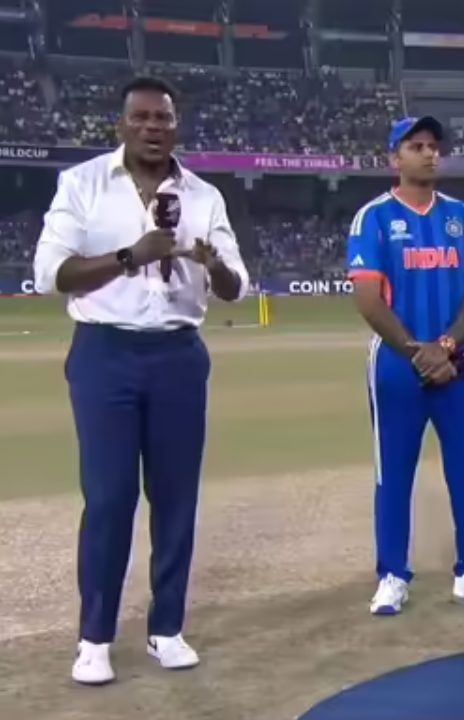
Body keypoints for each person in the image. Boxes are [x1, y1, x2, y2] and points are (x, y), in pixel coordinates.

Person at [31, 76, 252, 685]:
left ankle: (167, 629)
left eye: (163, 119)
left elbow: (237, 287)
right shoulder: (82, 184)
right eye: (142, 117)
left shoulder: (204, 196)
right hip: (105, 352)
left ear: (176, 128)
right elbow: (50, 272)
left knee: (176, 498)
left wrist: (211, 263)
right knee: (108, 498)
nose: (153, 127)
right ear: (122, 124)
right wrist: (131, 255)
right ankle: (94, 639)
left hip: (179, 354)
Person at [347, 116, 464, 615]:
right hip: (397, 365)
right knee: (393, 473)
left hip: (456, 364)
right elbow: (368, 299)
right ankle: (392, 575)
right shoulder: (373, 218)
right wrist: (418, 352)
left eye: (433, 146)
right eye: (416, 146)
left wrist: (445, 346)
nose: (428, 153)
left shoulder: (462, 216)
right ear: (394, 158)